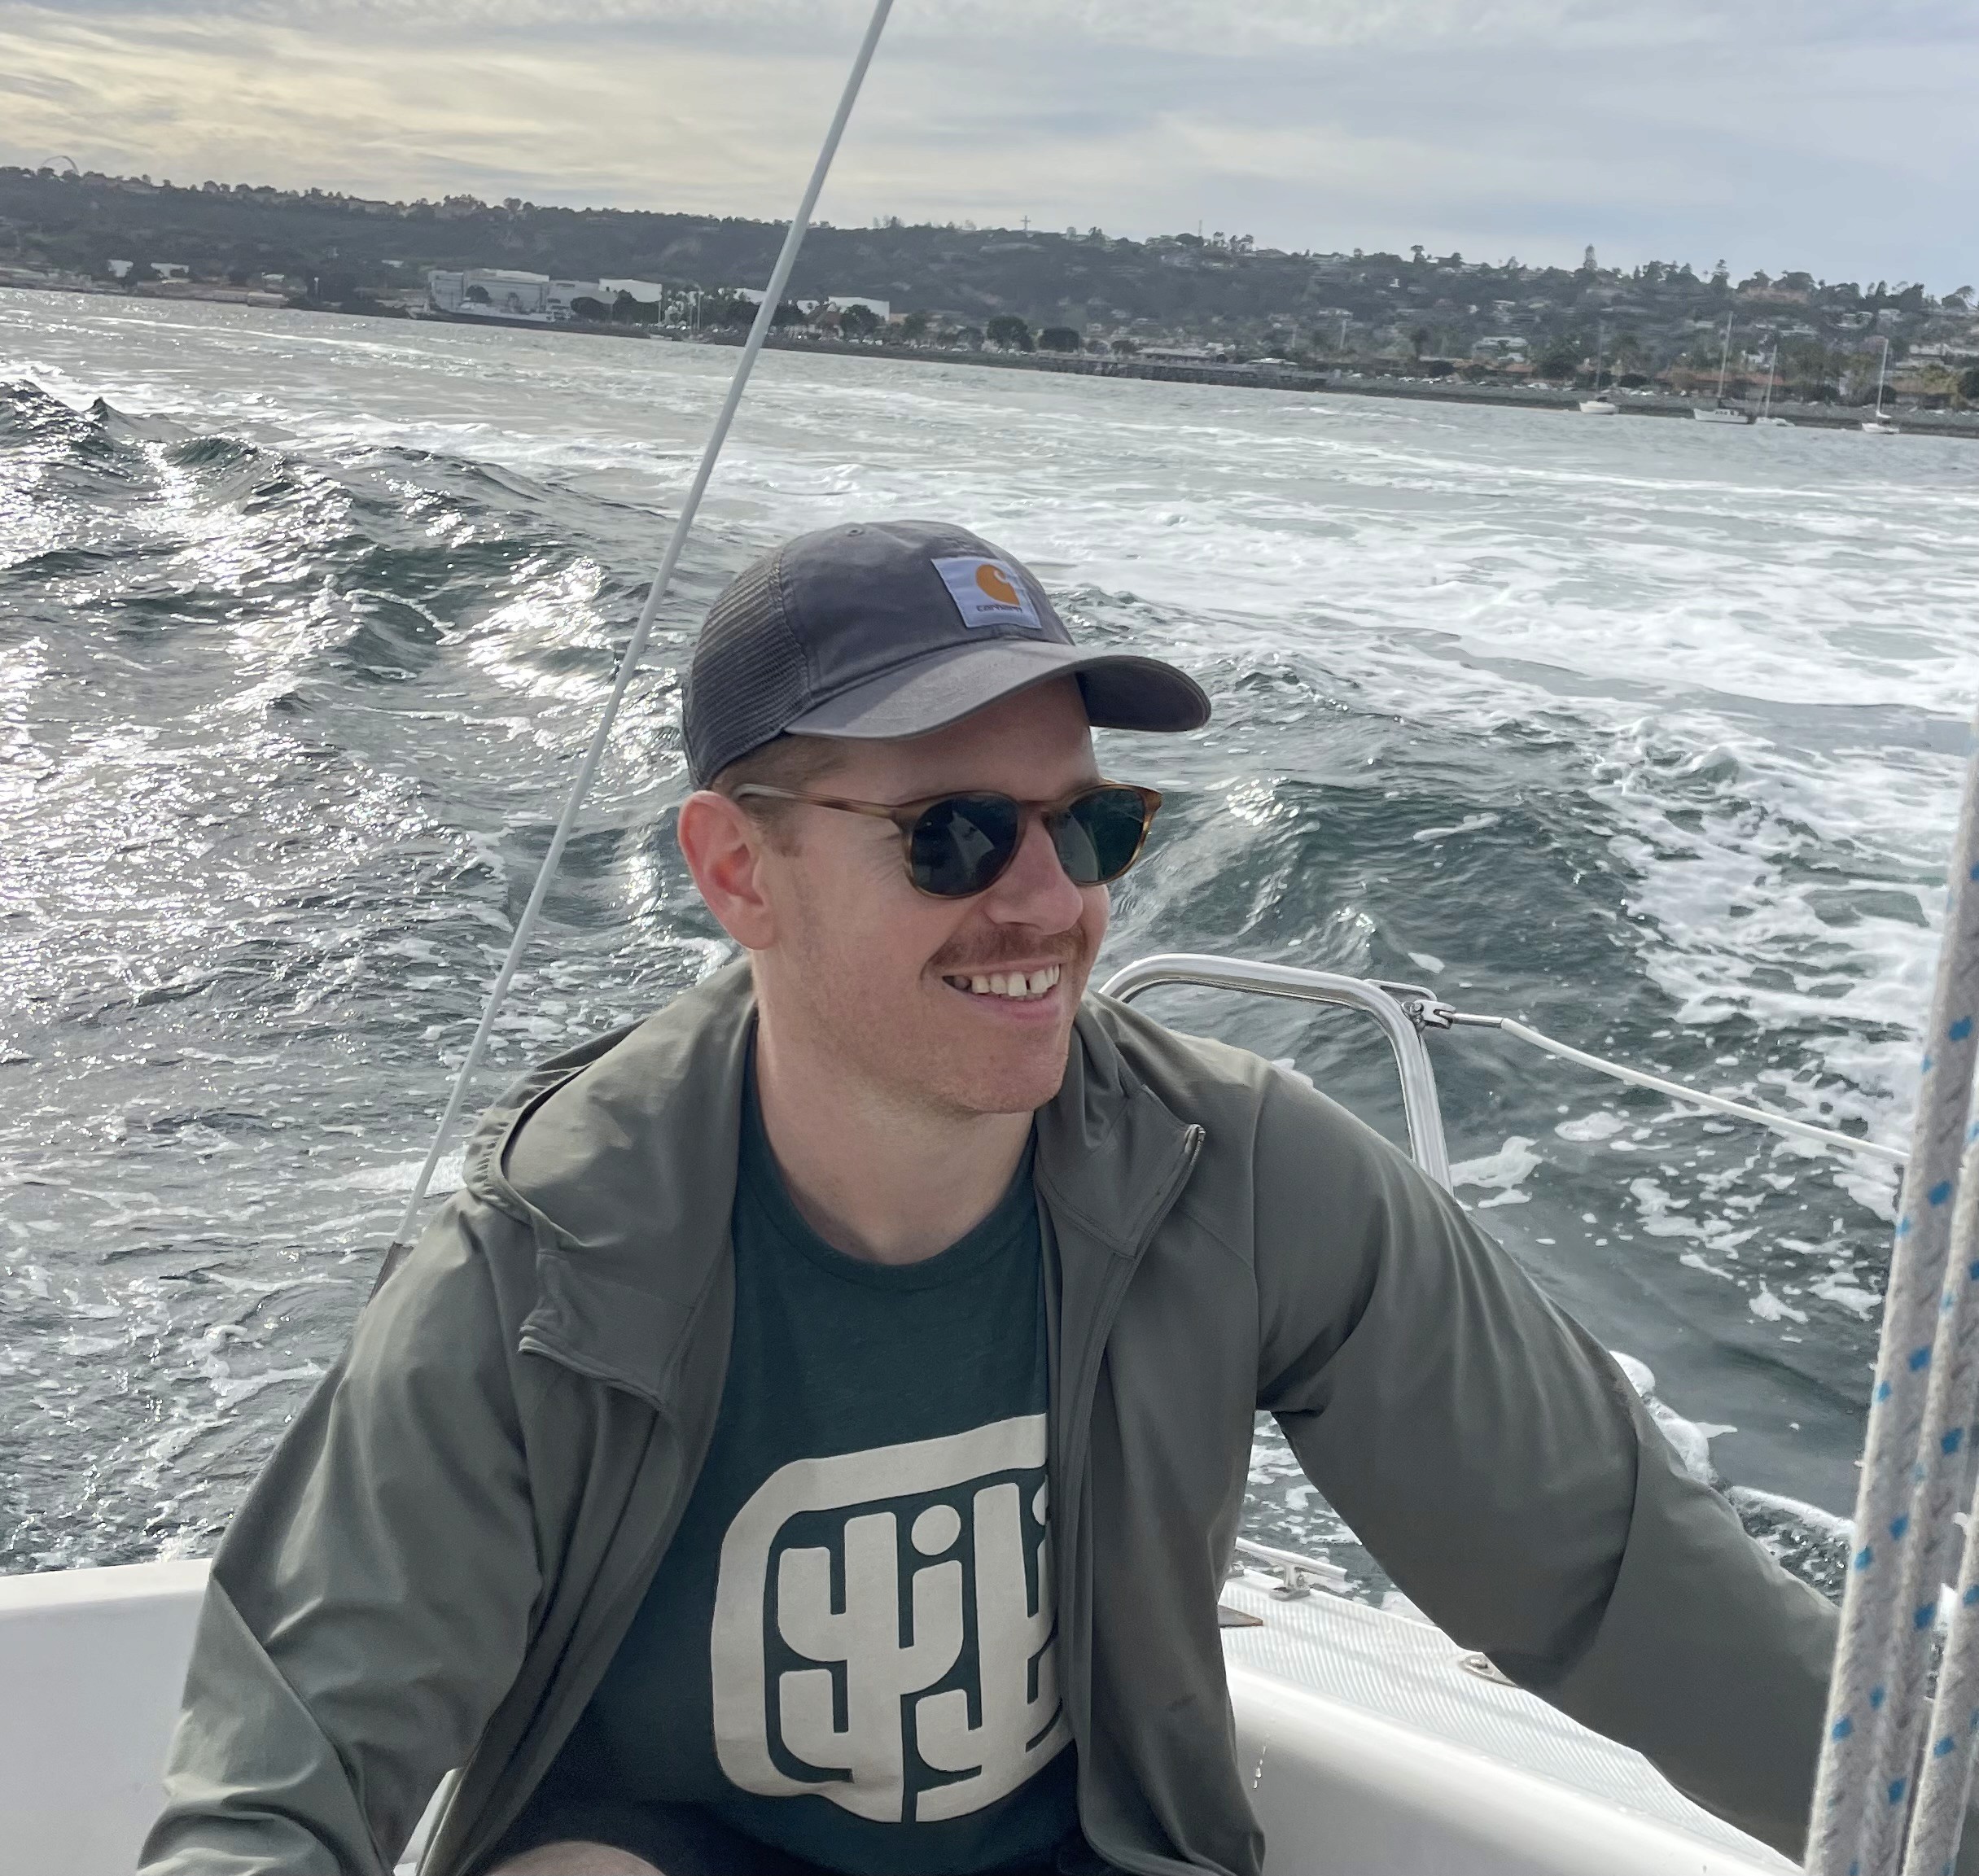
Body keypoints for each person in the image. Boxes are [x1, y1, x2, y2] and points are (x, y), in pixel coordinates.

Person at [143, 518, 1845, 1876]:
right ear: (739, 870)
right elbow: (281, 1783)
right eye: (953, 835)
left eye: (1087, 825)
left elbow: (1610, 1575)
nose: (1046, 901)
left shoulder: (1241, 1178)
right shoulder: (546, 1264)